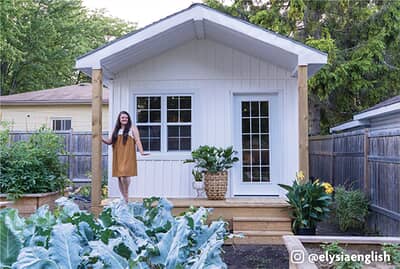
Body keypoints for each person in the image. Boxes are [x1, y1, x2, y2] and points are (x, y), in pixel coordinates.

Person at [102, 111, 149, 202]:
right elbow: (110, 142)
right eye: (123, 117)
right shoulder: (116, 130)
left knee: (124, 174)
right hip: (118, 155)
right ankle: (124, 198)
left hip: (128, 154)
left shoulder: (132, 128)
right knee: (119, 176)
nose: (124, 119)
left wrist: (142, 152)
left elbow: (138, 140)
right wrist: (100, 138)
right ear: (119, 119)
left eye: (126, 118)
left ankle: (126, 193)